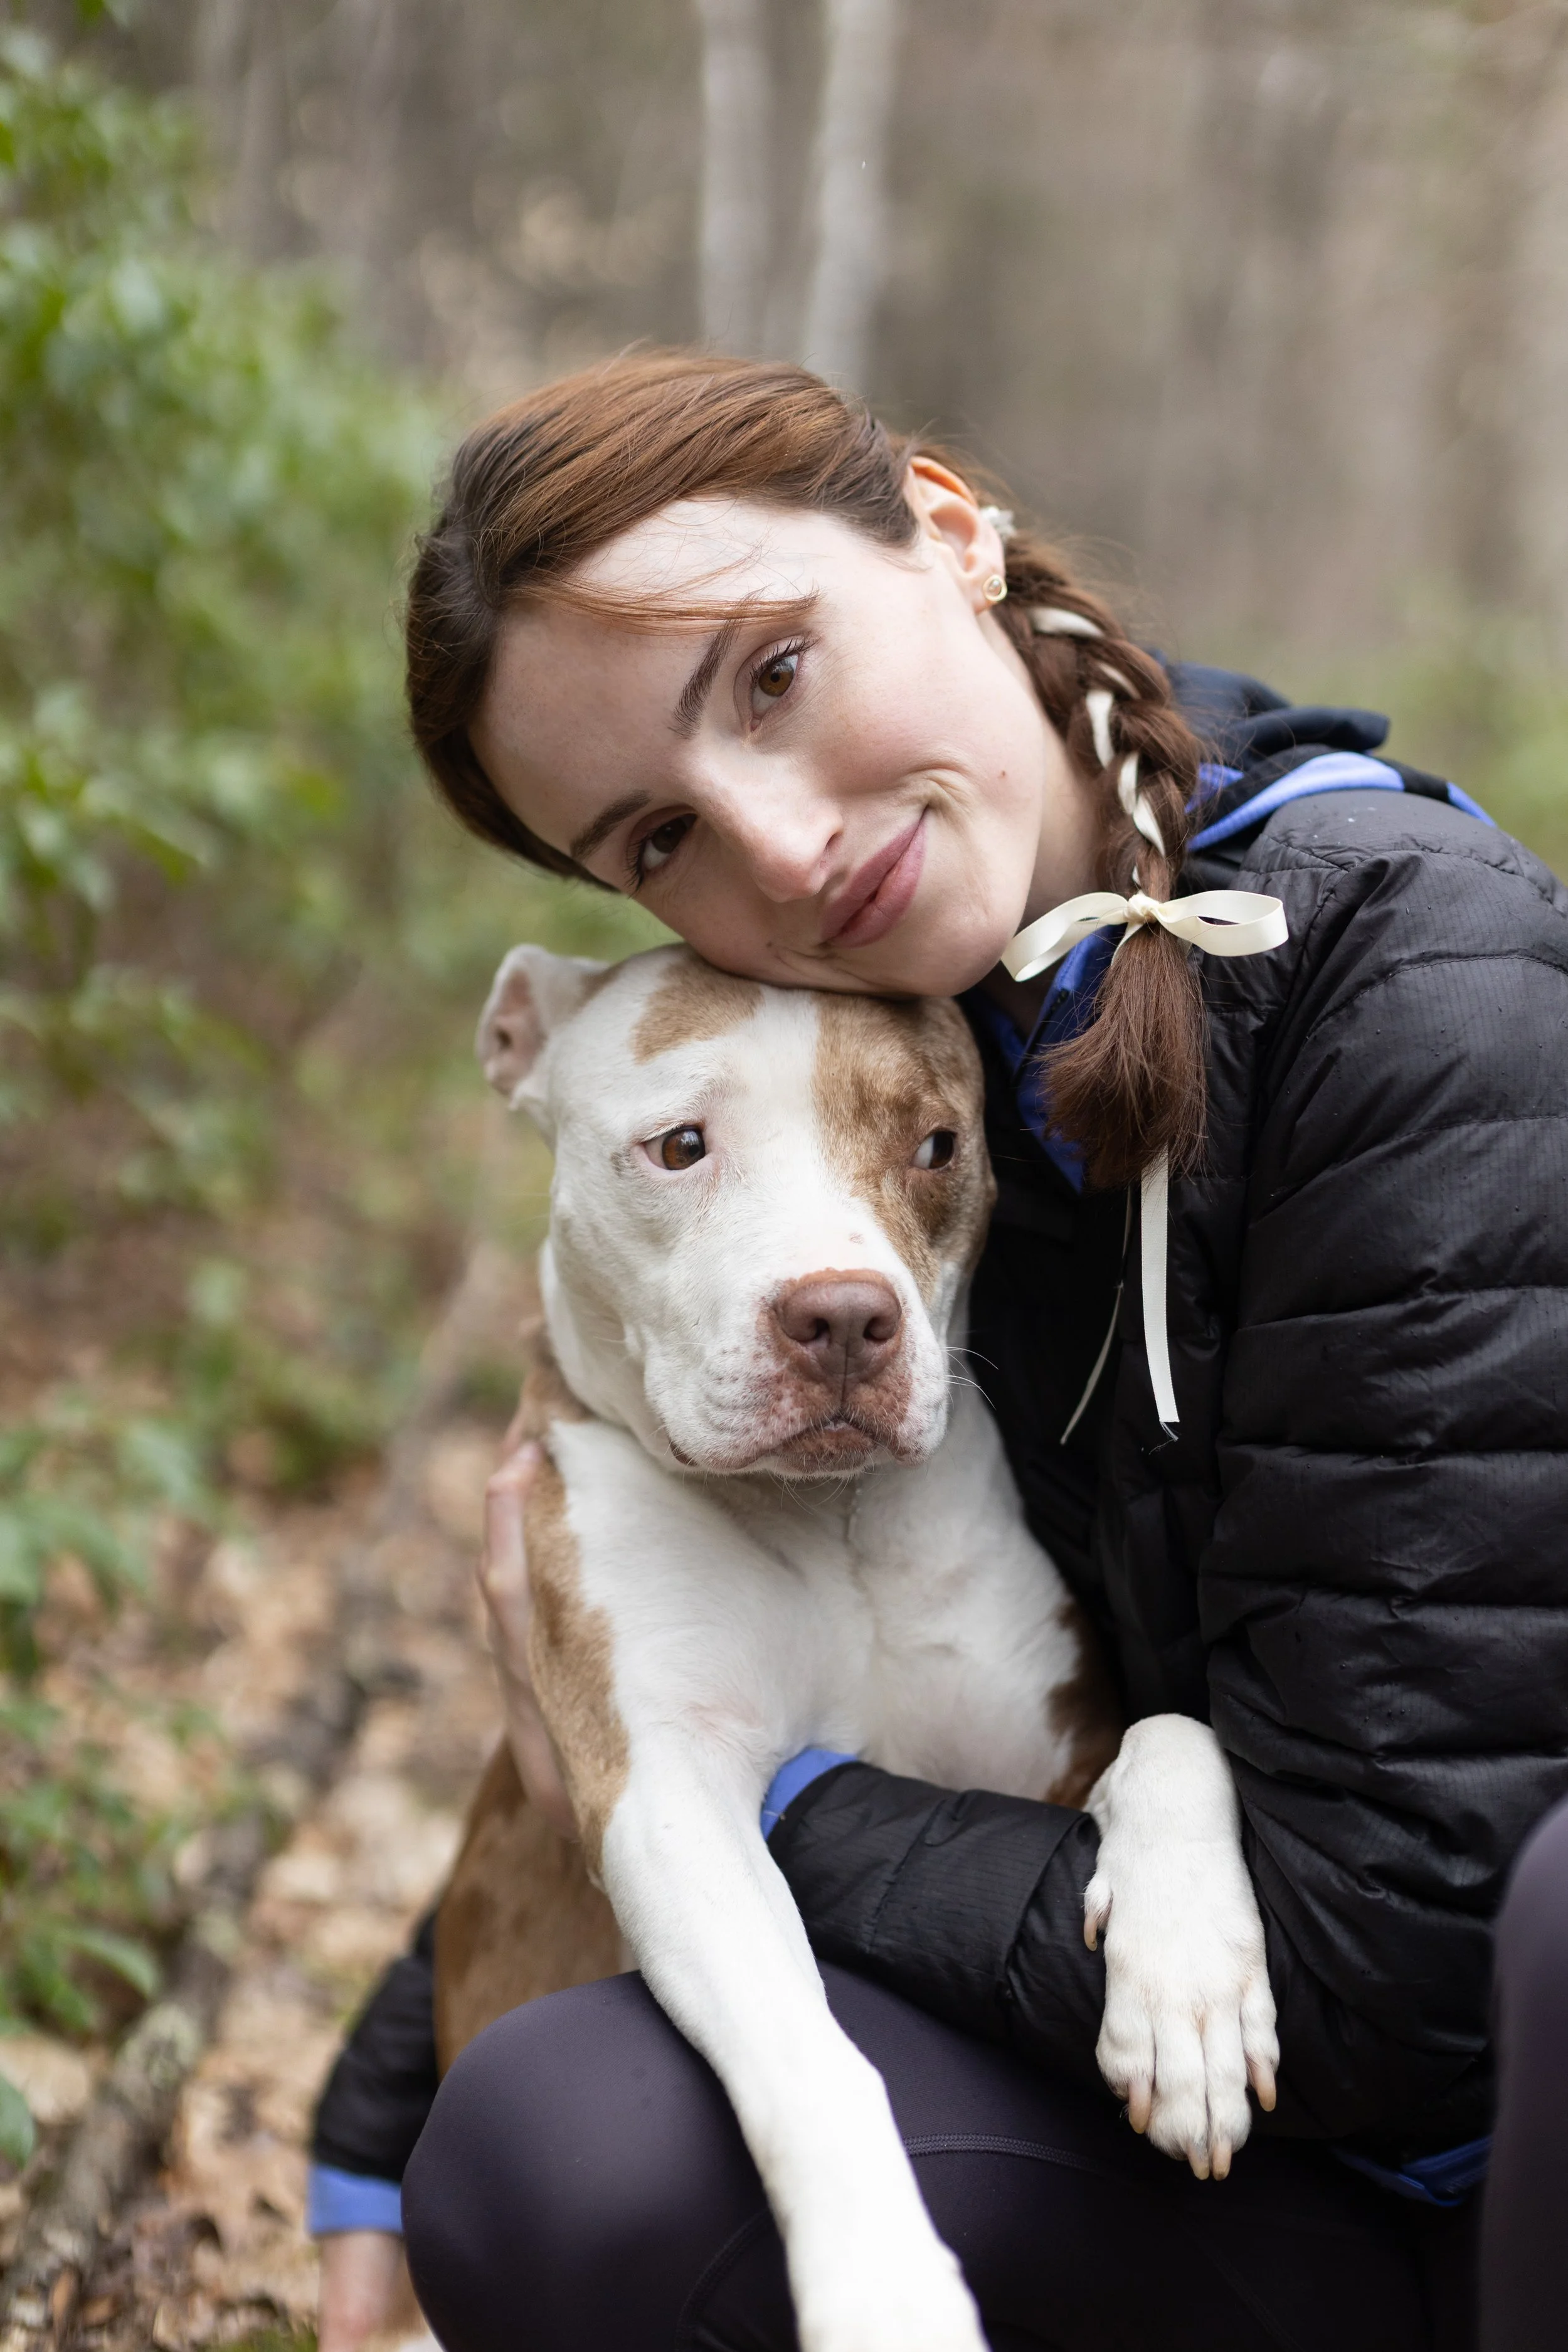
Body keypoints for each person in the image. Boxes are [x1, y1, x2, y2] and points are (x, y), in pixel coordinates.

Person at [308, 353, 1568, 2352]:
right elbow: (701, 1639)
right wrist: (384, 2091)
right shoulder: (905, 1027)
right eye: (655, 839)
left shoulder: (1409, 993)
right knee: (544, 2142)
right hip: (1159, 2036)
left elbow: (1395, 1965)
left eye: (772, 674)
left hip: (1443, 2135)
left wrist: (780, 1802)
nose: (780, 850)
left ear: (950, 527)